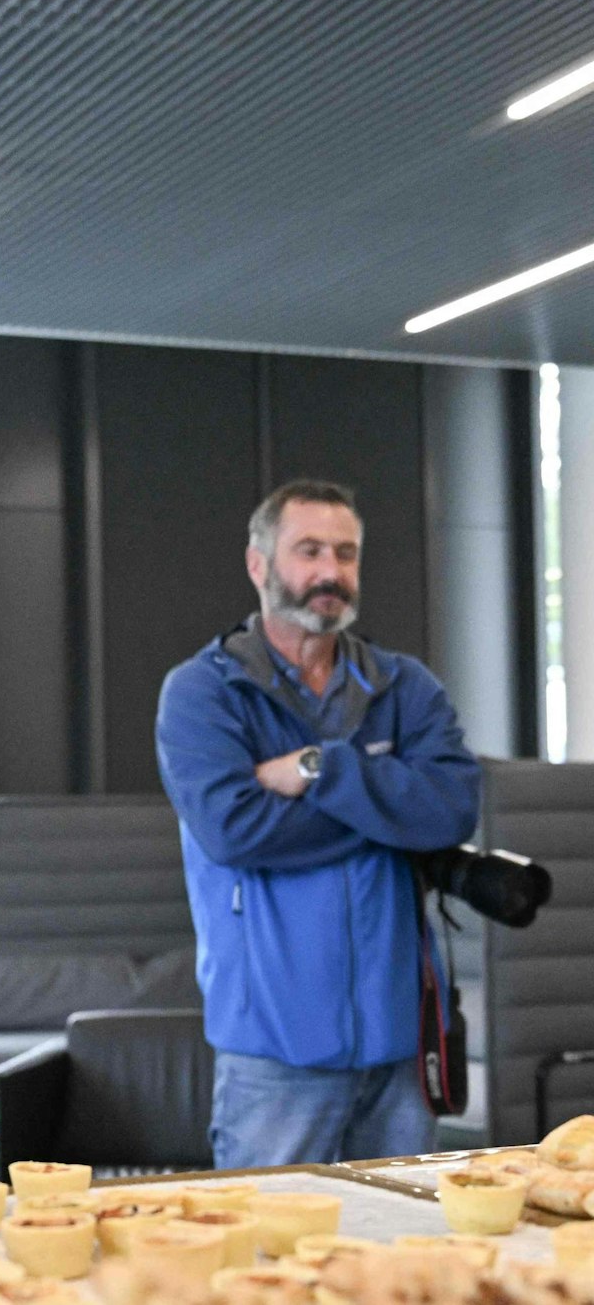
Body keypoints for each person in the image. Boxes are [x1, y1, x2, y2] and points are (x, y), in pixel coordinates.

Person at [156, 480, 482, 1168]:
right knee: (271, 1265)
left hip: (399, 1051)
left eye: (345, 553)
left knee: (400, 1262)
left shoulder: (405, 687)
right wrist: (389, 815)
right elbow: (234, 830)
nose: (330, 573)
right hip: (275, 1056)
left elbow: (452, 808)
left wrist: (321, 770)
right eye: (308, 551)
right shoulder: (203, 693)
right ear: (259, 565)